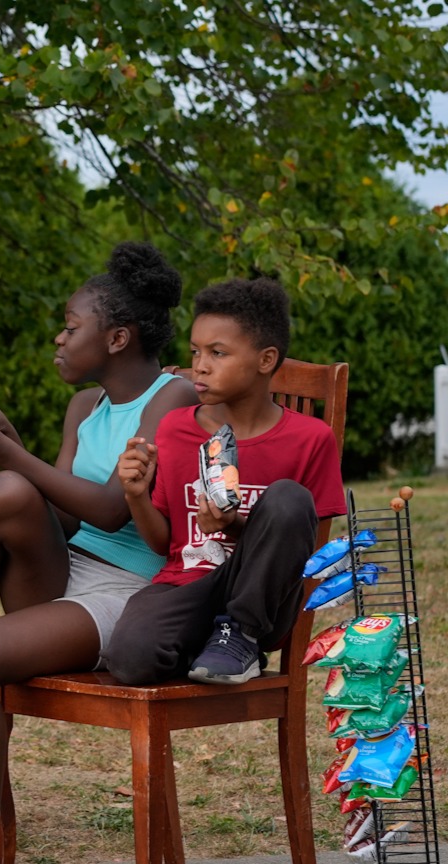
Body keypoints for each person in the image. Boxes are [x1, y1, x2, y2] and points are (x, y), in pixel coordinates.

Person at [0, 241, 198, 864]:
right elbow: (60, 513)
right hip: (68, 570)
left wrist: (8, 453)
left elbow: (110, 507)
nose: (59, 337)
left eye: (71, 327)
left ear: (117, 339)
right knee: (3, 491)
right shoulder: (86, 405)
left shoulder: (173, 397)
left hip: (128, 593)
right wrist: (8, 442)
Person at [104, 277, 344, 685]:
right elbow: (166, 544)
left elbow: (306, 549)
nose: (200, 364)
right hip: (189, 583)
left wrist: (235, 525)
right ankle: (211, 645)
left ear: (266, 360)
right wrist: (136, 495)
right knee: (128, 659)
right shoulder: (175, 429)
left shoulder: (309, 439)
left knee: (288, 498)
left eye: (218, 353)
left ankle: (239, 637)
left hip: (263, 601)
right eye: (196, 351)